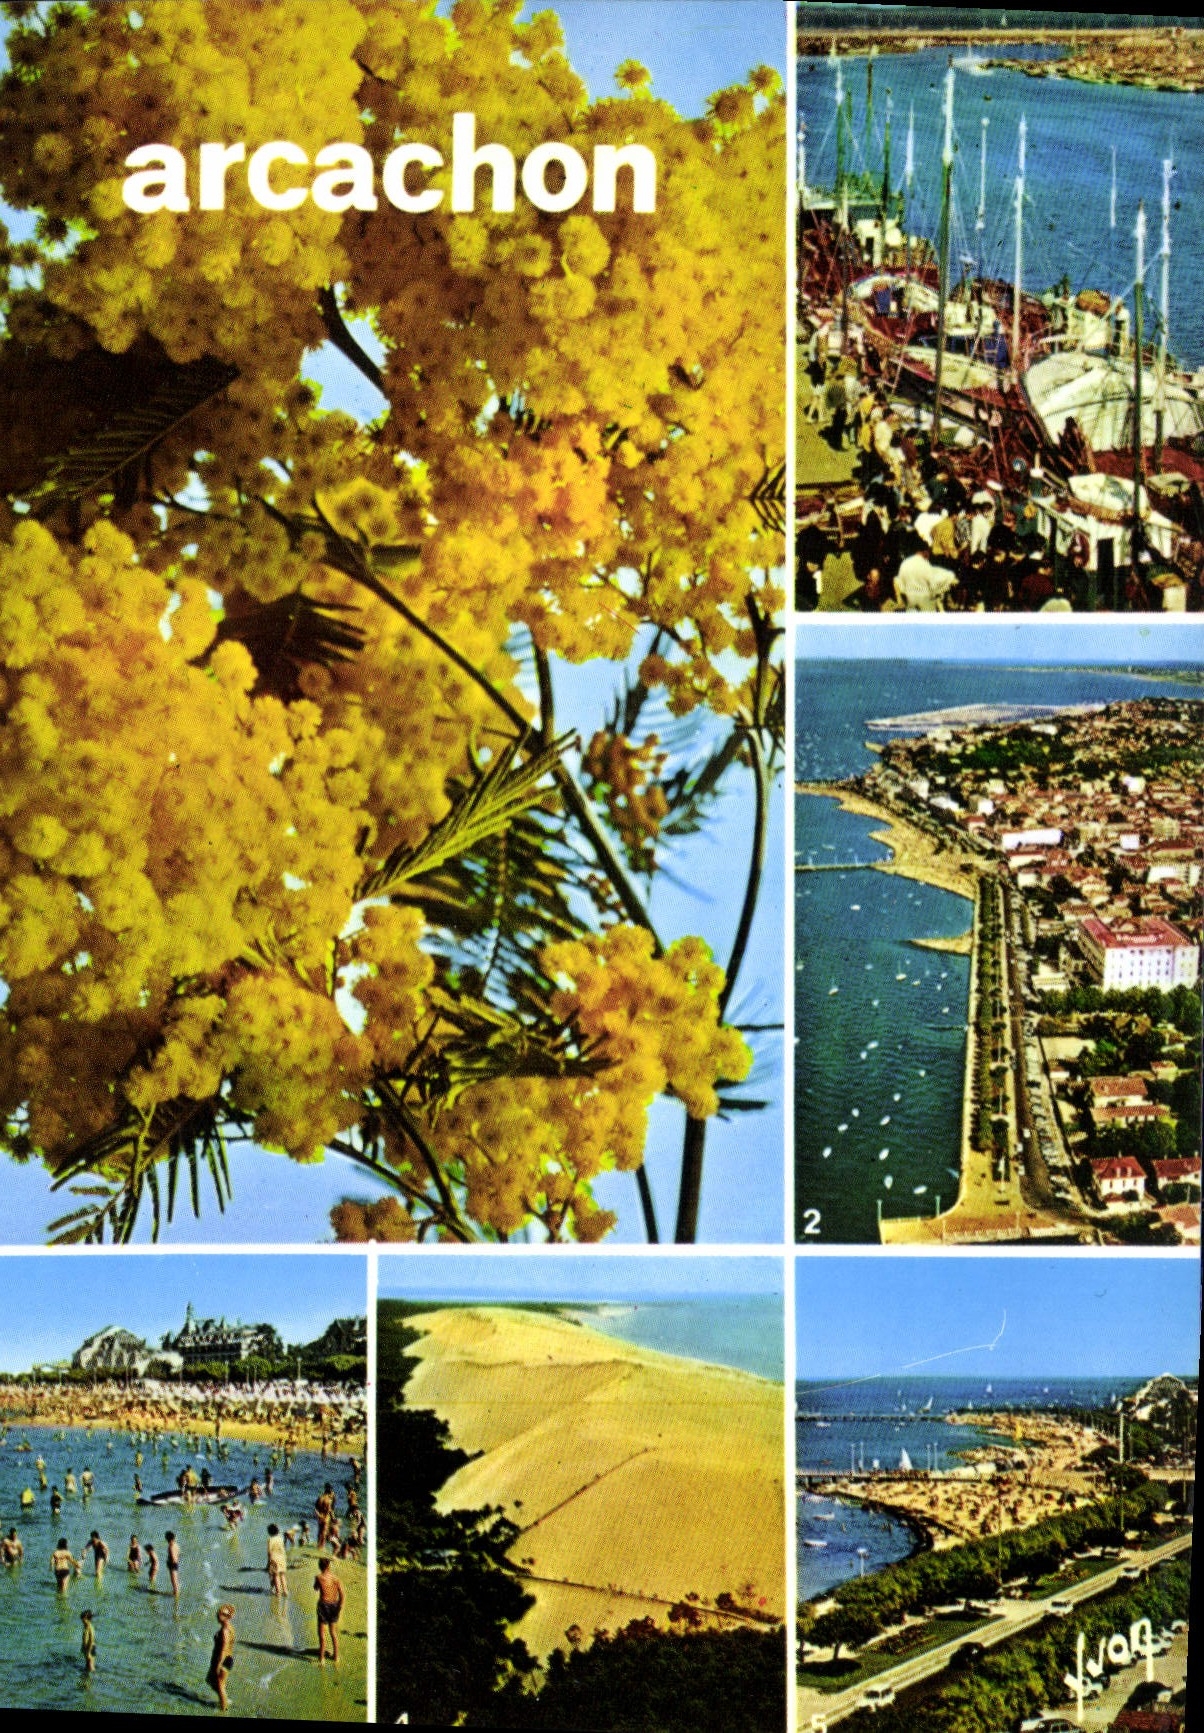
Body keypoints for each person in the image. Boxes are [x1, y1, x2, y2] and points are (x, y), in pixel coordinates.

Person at [314, 1557, 345, 1665]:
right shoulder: (336, 1579)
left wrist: (317, 1584)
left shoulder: (319, 1577)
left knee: (322, 1633)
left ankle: (321, 1658)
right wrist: (339, 1606)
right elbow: (342, 1594)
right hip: (334, 1605)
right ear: (329, 1566)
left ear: (320, 1567)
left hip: (323, 1605)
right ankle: (336, 1656)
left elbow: (316, 1588)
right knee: (333, 1632)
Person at [206, 1604, 236, 1713]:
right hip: (225, 1659)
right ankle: (224, 1700)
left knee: (220, 1685)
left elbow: (223, 1649)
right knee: (211, 1680)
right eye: (219, 1613)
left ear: (228, 1617)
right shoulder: (228, 1627)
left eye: (223, 1614)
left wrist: (218, 1665)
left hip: (223, 1660)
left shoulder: (225, 1631)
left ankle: (224, 1709)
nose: (219, 1615)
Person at [266, 1524, 288, 1598]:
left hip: (274, 1558)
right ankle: (285, 1591)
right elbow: (283, 1548)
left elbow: (269, 1552)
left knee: (276, 1575)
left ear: (269, 1532)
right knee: (282, 1575)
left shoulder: (270, 1540)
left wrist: (268, 1562)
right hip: (282, 1558)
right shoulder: (280, 1538)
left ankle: (278, 1592)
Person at [314, 1484, 336, 1548]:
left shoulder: (320, 1497)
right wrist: (333, 1518)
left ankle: (318, 1545)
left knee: (319, 1531)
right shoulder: (329, 1500)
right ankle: (322, 1547)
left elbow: (315, 1509)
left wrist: (318, 1515)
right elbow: (330, 1510)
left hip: (320, 1517)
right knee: (324, 1532)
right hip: (326, 1517)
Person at [80, 1609, 97, 1676]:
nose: (82, 1621)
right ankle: (86, 1679)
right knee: (87, 1665)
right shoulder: (86, 1626)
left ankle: (95, 1677)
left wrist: (88, 1651)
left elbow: (91, 1640)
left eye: (83, 1619)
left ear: (87, 1619)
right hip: (86, 1648)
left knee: (91, 1666)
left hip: (90, 1648)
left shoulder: (90, 1628)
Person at [166, 1531, 181, 1598]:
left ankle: (176, 1597)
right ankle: (176, 1593)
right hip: (176, 1564)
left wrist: (169, 1562)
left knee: (174, 1581)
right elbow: (178, 1554)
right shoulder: (176, 1545)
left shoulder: (170, 1547)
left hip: (172, 1565)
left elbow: (173, 1558)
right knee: (176, 1581)